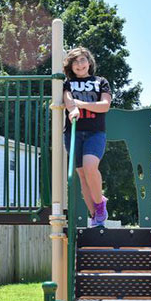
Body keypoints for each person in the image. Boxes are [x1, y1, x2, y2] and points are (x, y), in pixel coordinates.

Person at [63, 47, 111, 227]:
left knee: (90, 166)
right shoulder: (68, 83)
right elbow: (68, 101)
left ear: (89, 62)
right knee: (82, 175)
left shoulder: (101, 82)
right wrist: (73, 108)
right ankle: (94, 217)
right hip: (73, 132)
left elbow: (104, 106)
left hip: (95, 132)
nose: (79, 64)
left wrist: (81, 104)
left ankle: (100, 206)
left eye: (82, 60)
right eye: (75, 62)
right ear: (71, 66)